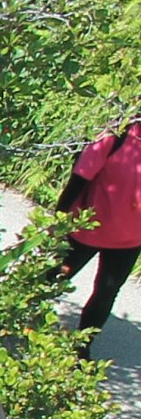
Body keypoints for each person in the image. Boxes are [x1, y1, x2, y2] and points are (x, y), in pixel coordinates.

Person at [60, 117, 141, 335]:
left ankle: (82, 346)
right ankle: (4, 321)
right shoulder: (115, 137)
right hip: (85, 230)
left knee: (107, 292)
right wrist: (57, 221)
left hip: (130, 240)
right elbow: (78, 180)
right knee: (53, 277)